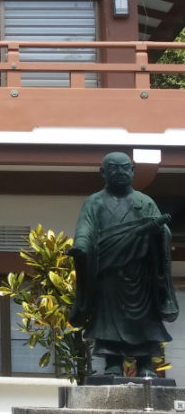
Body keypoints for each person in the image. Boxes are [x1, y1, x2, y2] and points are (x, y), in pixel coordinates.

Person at [69, 151, 179, 378]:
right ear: (103, 172)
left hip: (141, 272)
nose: (120, 173)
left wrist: (160, 230)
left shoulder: (144, 201)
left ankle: (146, 363)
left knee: (145, 320)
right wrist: (80, 246)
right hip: (109, 274)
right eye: (113, 168)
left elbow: (162, 231)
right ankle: (113, 363)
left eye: (125, 168)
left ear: (133, 170)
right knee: (109, 319)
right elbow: (85, 230)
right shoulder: (95, 202)